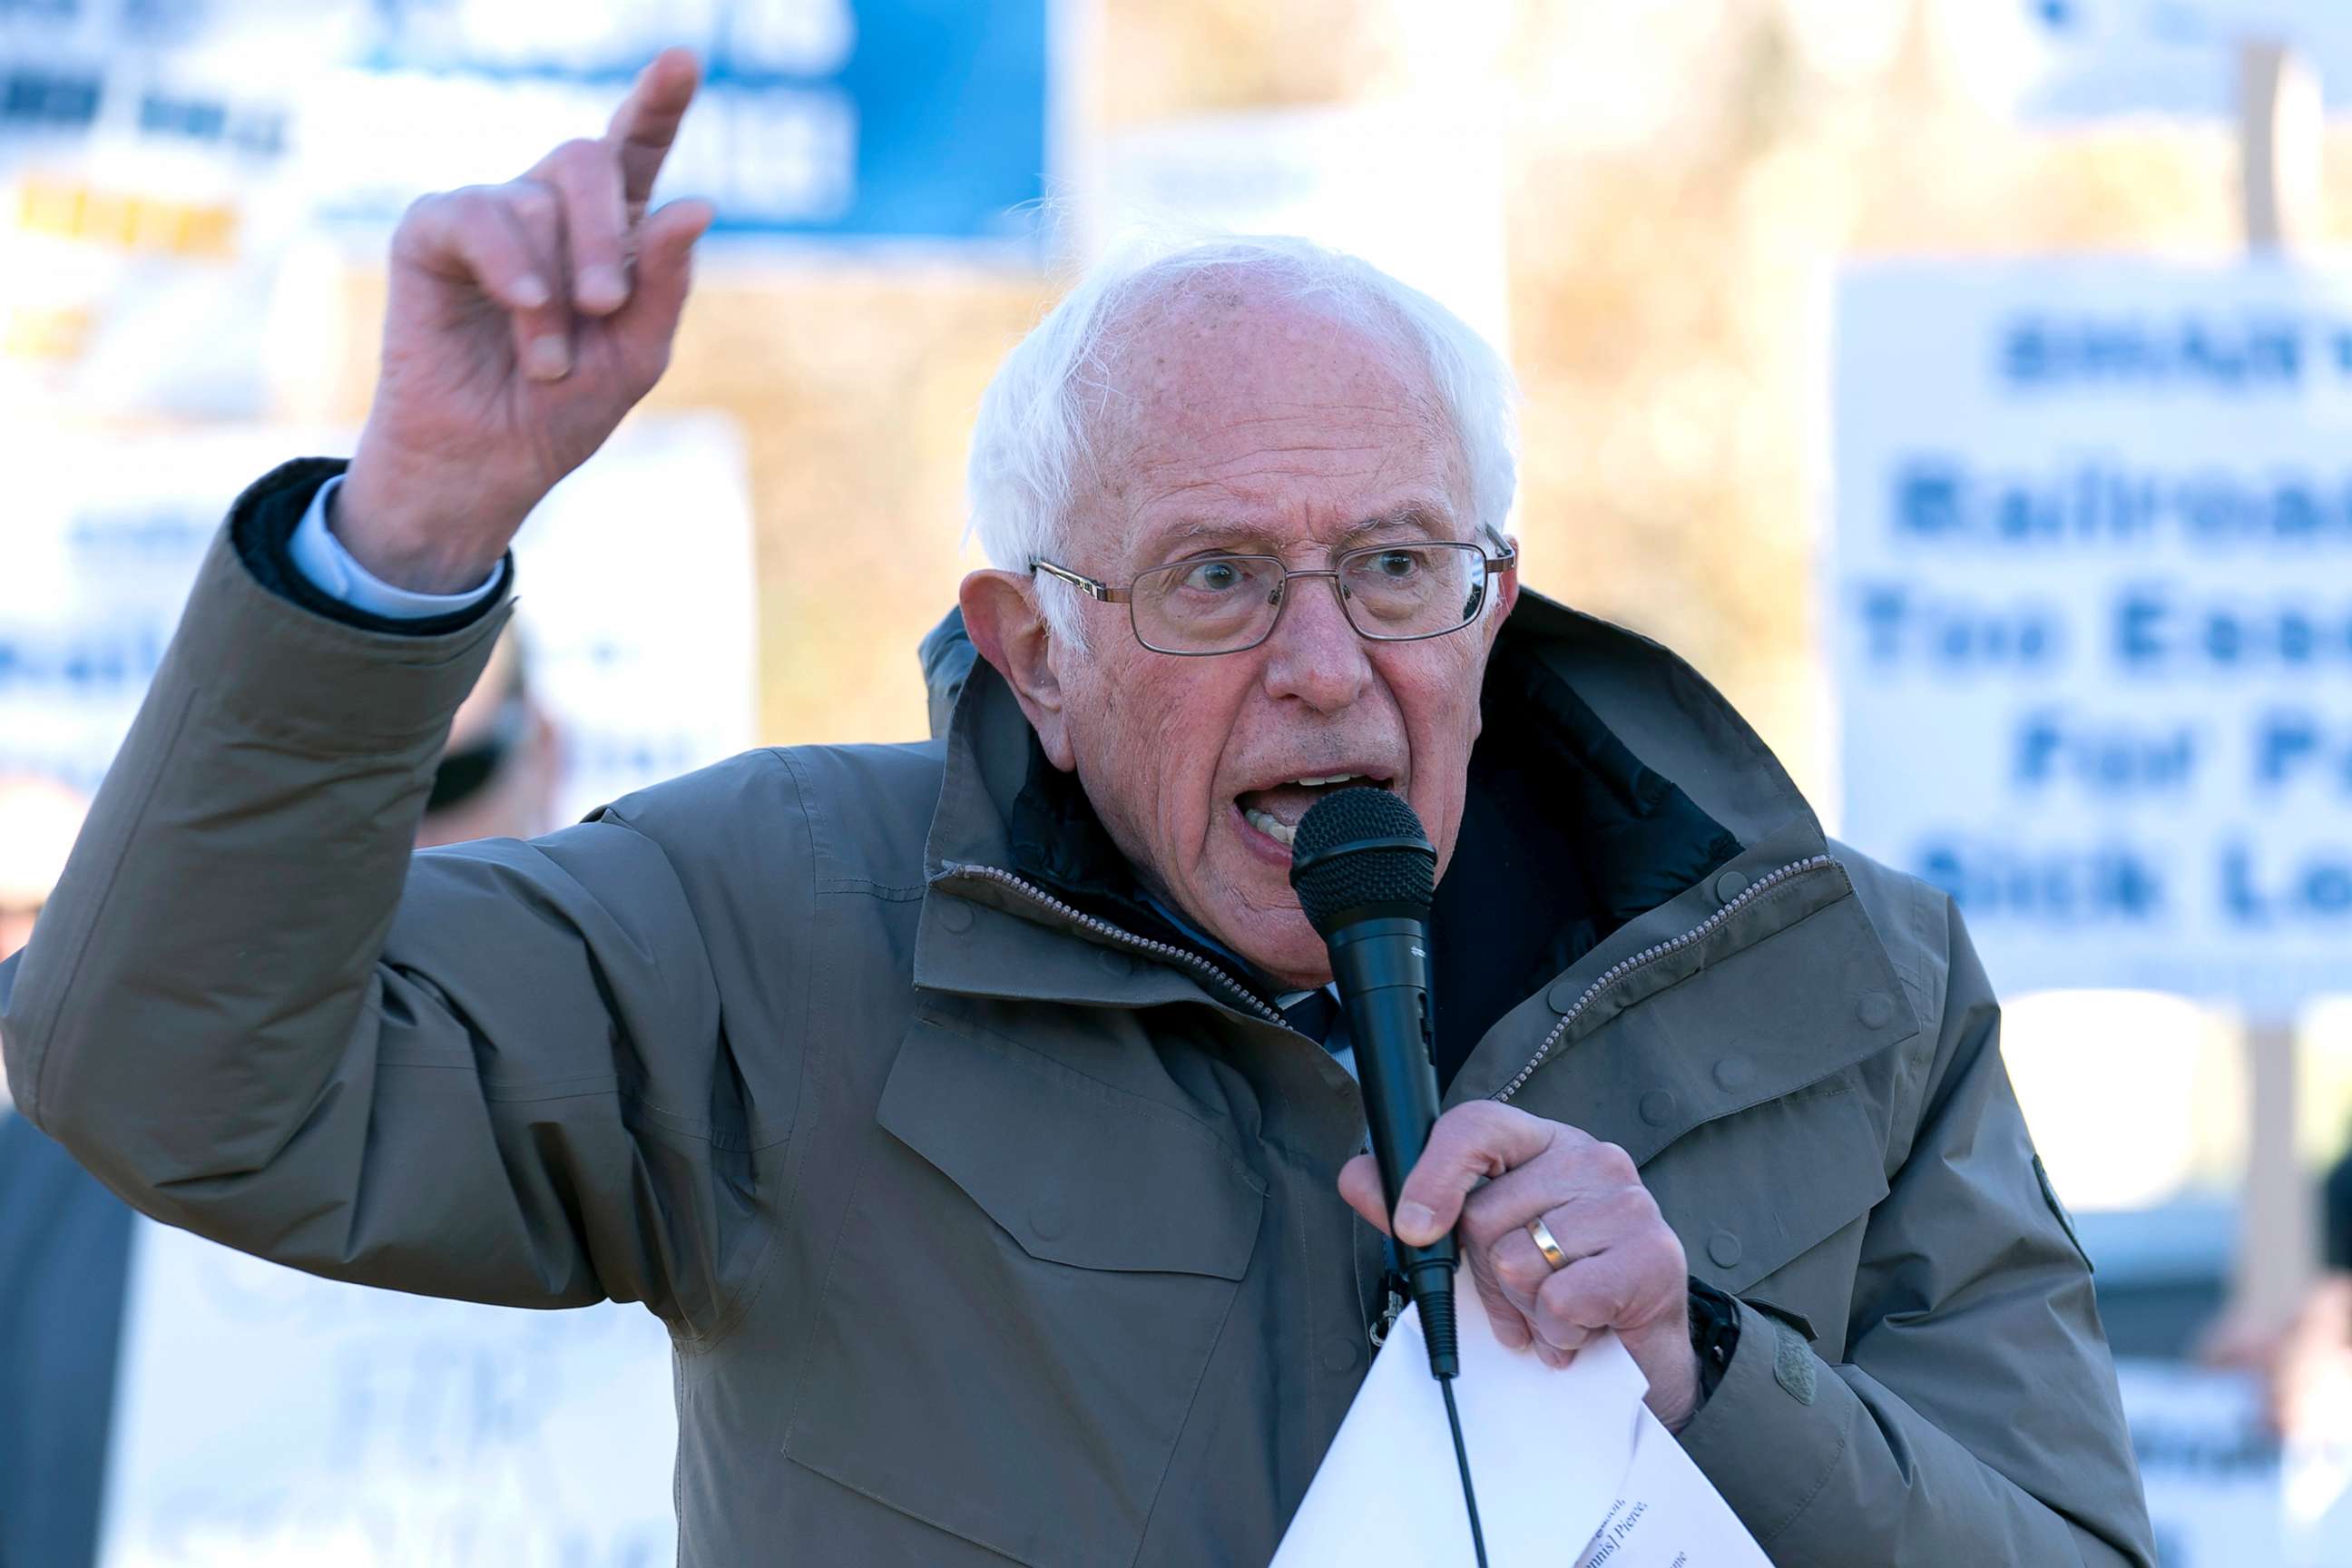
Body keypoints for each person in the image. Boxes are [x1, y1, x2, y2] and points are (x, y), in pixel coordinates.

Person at [0, 49, 2155, 1565]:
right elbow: (172, 1072)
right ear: (1029, 644)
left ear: (1491, 591)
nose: (1328, 662)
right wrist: (408, 530)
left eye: (1400, 564)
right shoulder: (772, 924)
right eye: (1217, 576)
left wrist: (1704, 1362)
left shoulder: (1834, 974)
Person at [0, 636, 564, 1568]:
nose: (382, 845)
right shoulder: (43, 1187)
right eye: (312, 794)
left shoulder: (727, 1133)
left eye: (442, 779)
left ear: (543, 752)